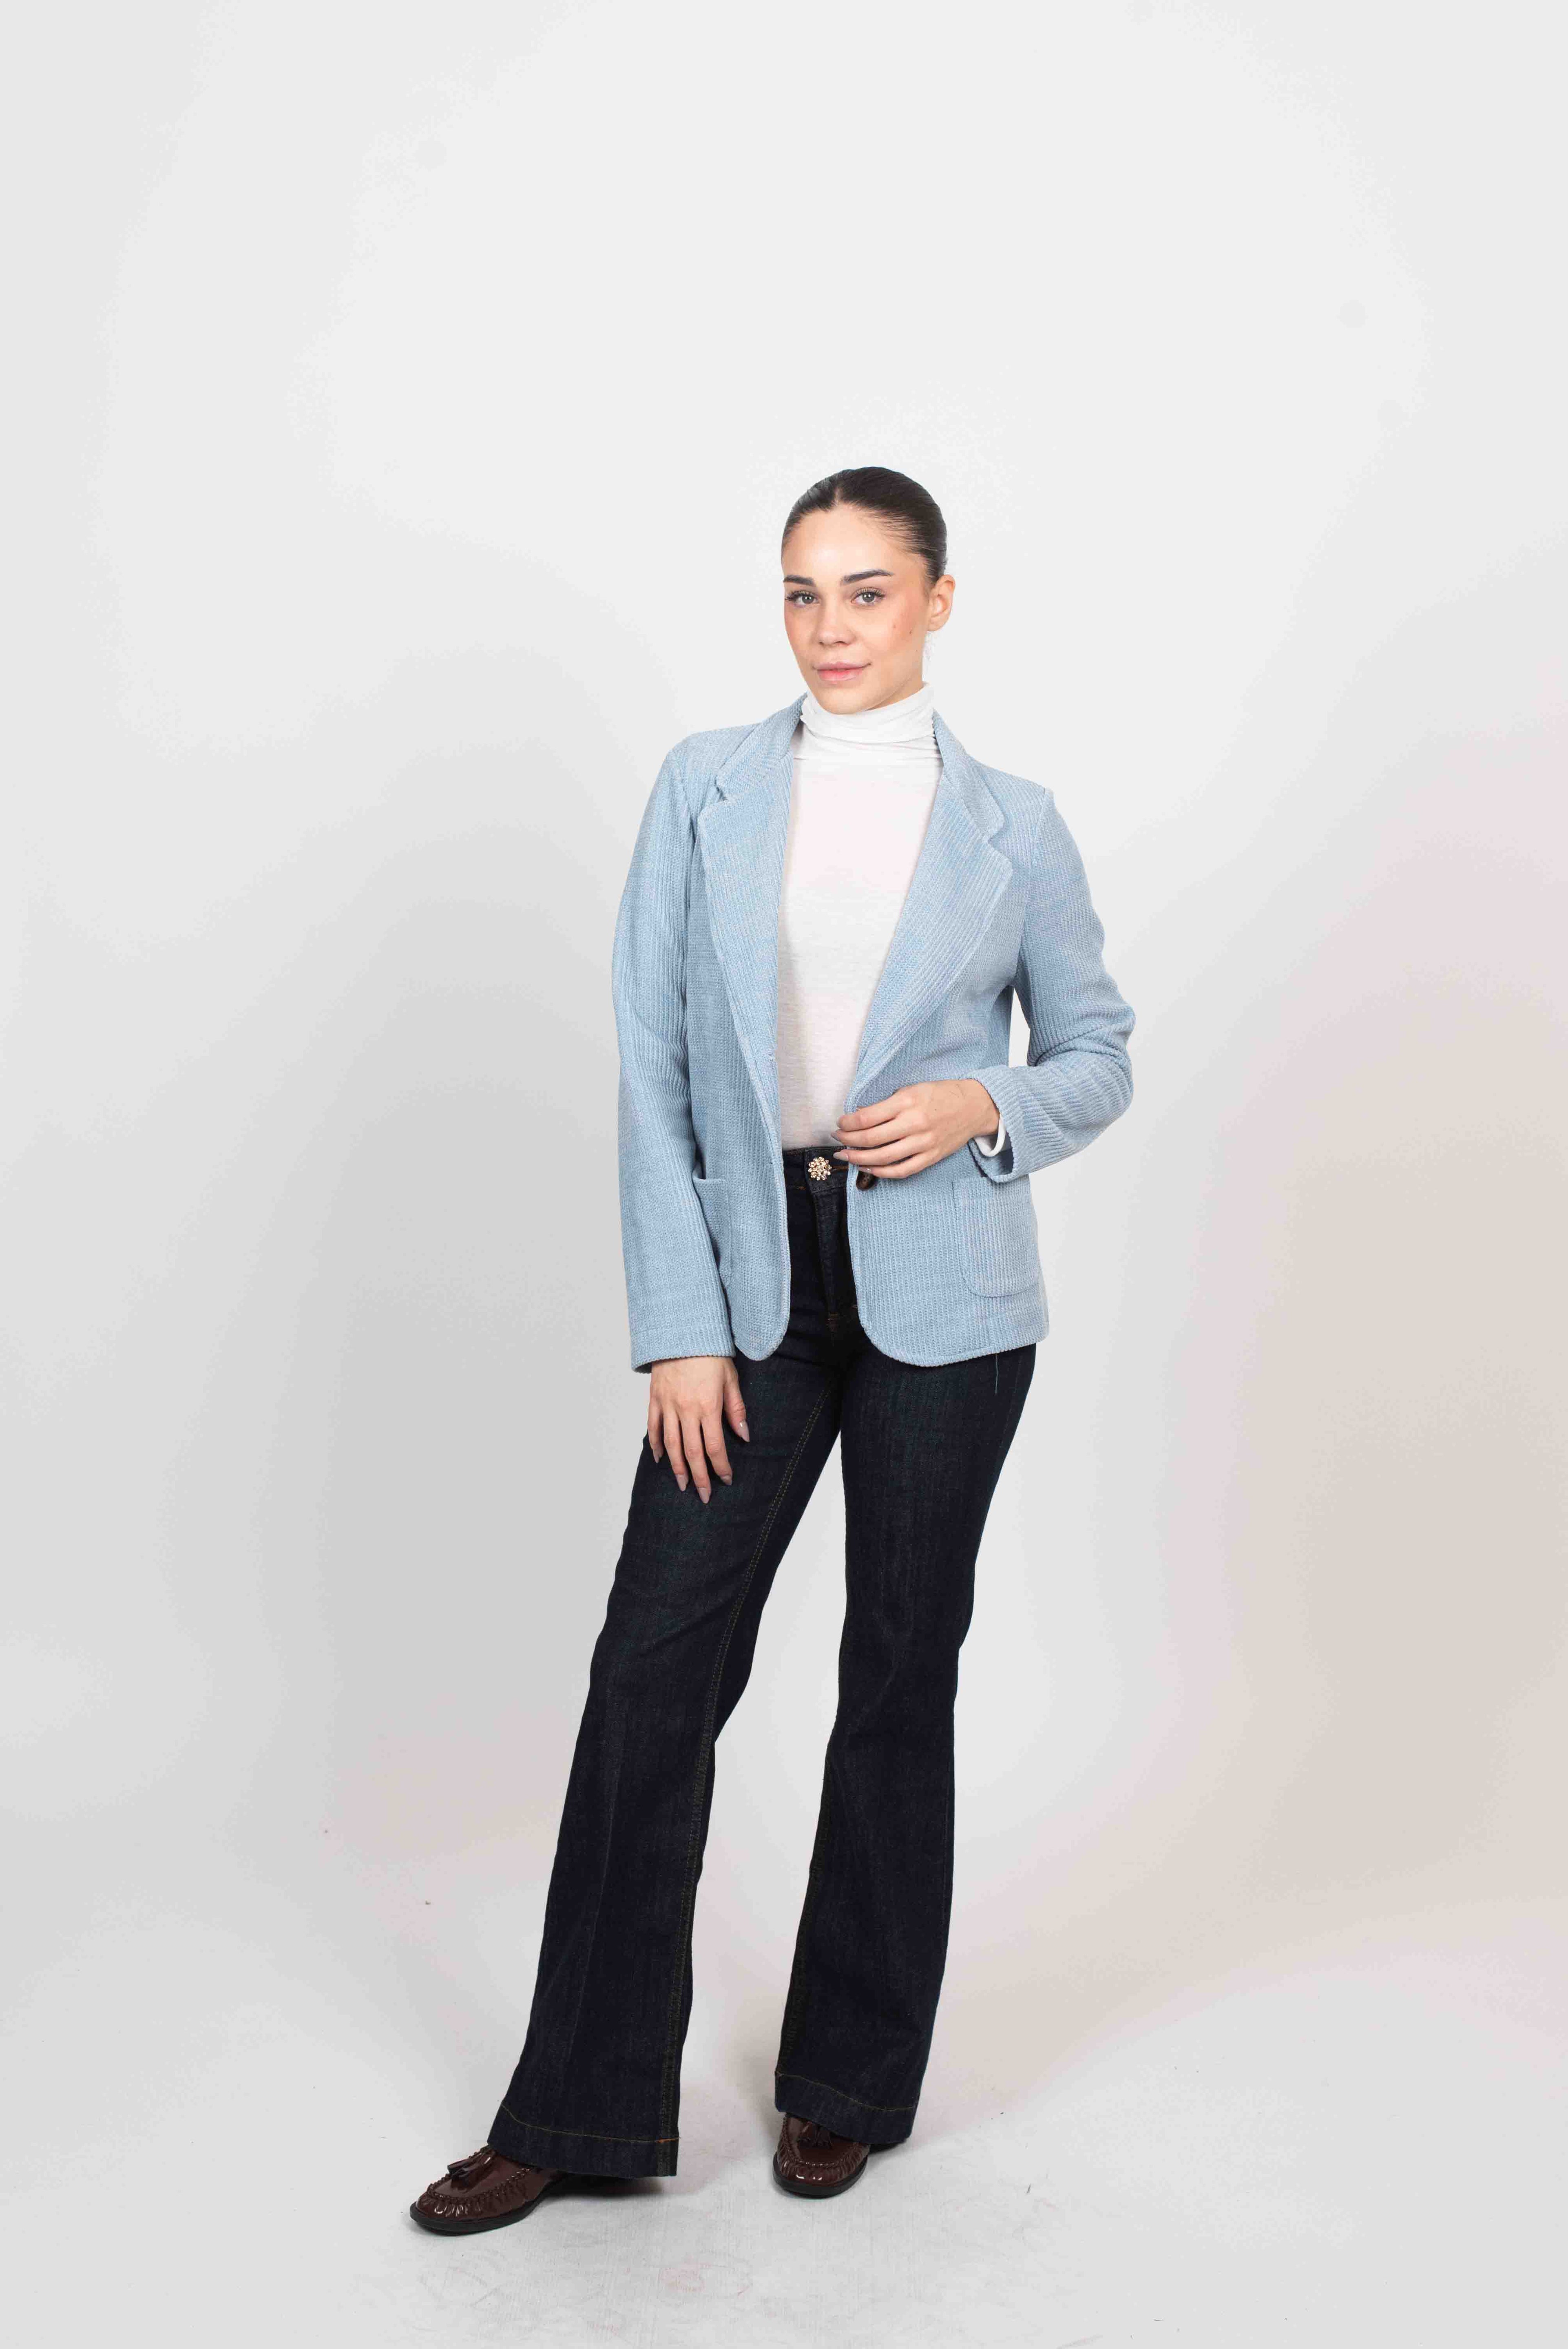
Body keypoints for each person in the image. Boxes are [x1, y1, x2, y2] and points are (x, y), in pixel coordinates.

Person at [409, 465, 1135, 2232]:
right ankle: (578, 2106)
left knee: (897, 1674)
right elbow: (651, 1062)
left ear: (937, 600)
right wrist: (678, 1330)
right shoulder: (707, 787)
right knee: (651, 1673)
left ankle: (848, 2085)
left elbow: (1097, 1052)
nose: (830, 627)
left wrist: (983, 1104)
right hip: (748, 1290)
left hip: (946, 1298)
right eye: (803, 593)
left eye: (867, 591)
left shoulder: (1015, 826)